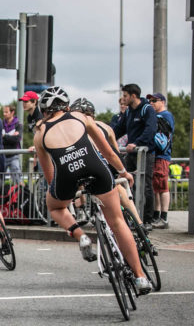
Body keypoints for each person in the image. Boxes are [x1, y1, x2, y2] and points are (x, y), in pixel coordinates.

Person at [32, 86, 151, 294]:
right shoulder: (81, 117)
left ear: (43, 111)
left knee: (54, 206)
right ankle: (140, 277)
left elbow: (50, 176)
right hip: (96, 168)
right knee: (117, 221)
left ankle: (81, 236)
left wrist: (66, 193)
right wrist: (123, 172)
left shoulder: (40, 134)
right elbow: (109, 152)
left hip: (67, 174)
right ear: (67, 106)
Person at [69, 98, 148, 237]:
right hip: (111, 163)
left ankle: (96, 218)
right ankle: (139, 224)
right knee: (119, 188)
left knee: (98, 191)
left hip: (91, 166)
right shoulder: (106, 127)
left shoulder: (75, 128)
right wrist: (122, 171)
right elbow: (115, 152)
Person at [111, 83, 157, 230]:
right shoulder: (129, 112)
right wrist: (106, 138)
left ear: (133, 96)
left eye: (125, 96)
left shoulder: (147, 109)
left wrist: (137, 143)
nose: (122, 98)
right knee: (121, 181)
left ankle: (148, 220)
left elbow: (151, 129)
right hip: (131, 153)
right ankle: (129, 216)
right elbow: (119, 129)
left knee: (146, 186)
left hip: (145, 153)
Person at [147, 93, 174, 229]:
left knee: (162, 186)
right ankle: (156, 215)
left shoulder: (166, 116)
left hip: (162, 156)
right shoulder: (158, 116)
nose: (151, 103)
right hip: (156, 155)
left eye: (154, 100)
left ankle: (164, 217)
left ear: (162, 102)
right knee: (156, 186)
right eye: (150, 101)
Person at [1, 104, 23, 186]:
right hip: (2, 155)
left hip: (14, 155)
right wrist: (11, 136)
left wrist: (4, 136)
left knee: (18, 179)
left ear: (12, 112)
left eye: (6, 112)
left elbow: (17, 139)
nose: (4, 114)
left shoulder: (18, 124)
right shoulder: (1, 123)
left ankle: (22, 196)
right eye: (4, 112)